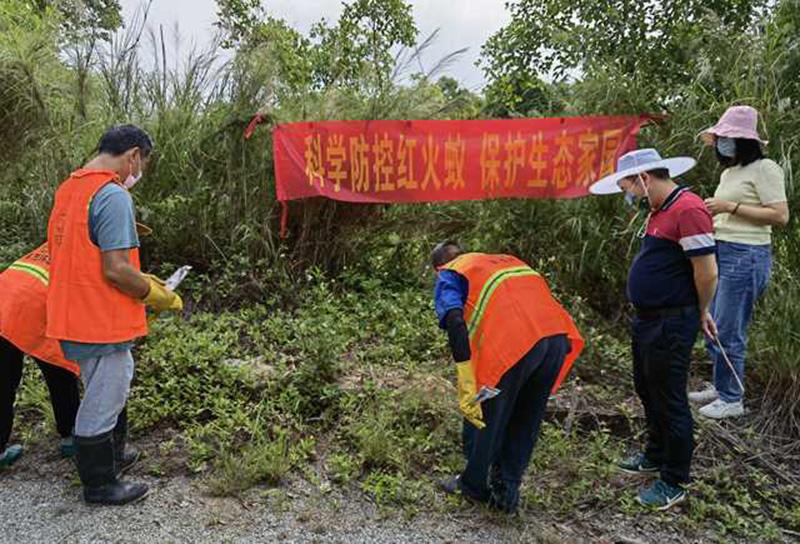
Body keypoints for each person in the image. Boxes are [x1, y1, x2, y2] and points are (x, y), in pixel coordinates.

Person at [46, 124, 183, 505]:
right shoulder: (112, 195)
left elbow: (83, 256)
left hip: (73, 314)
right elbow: (116, 269)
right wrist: (155, 293)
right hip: (99, 319)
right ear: (134, 156)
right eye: (142, 165)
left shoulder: (70, 189)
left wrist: (141, 280)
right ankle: (100, 483)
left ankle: (113, 455)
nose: (138, 173)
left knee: (104, 387)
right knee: (107, 393)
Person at [590, 148, 718, 510]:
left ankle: (674, 478)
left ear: (644, 179)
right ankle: (655, 454)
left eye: (627, 186)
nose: (627, 194)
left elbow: (706, 271)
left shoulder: (688, 209)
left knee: (670, 397)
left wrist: (701, 310)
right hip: (647, 319)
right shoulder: (659, 211)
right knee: (647, 388)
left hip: (672, 320)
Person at [431, 242, 584, 513]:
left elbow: (455, 320)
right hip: (556, 338)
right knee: (527, 417)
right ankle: (506, 493)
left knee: (486, 414)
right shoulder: (505, 261)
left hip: (514, 345)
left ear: (437, 268)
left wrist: (466, 374)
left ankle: (474, 485)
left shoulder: (450, 272)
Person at [688, 106, 790, 419]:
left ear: (744, 141)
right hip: (721, 249)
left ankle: (732, 398)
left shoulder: (766, 169)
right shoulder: (730, 172)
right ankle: (721, 386)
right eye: (719, 138)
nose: (722, 143)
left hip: (746, 255)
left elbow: (780, 215)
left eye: (727, 138)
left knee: (729, 329)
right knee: (713, 321)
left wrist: (729, 206)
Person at [0, 244, 80, 468]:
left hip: (3, 298)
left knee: (3, 382)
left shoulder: (55, 240)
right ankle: (70, 437)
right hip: (35, 307)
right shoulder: (89, 251)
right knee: (60, 372)